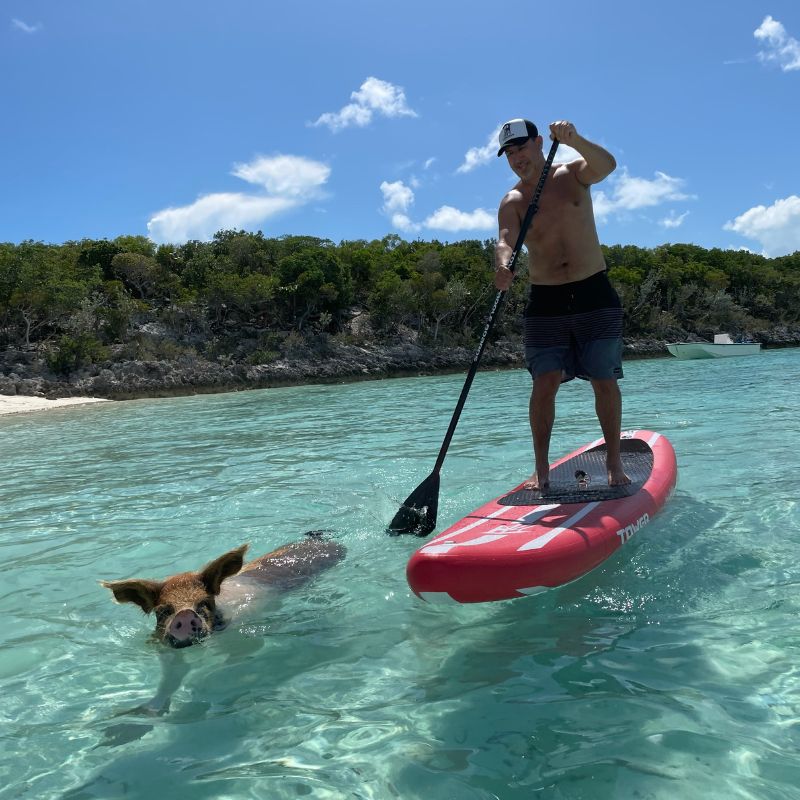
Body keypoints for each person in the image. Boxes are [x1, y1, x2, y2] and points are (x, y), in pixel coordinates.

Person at [494, 118, 630, 490]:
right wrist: (502, 262)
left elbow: (607, 166)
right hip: (546, 298)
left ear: (539, 143)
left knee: (603, 379)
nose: (516, 158)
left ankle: (615, 462)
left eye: (521, 148)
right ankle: (541, 469)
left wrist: (574, 139)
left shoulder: (572, 174)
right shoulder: (513, 200)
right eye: (509, 153)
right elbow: (505, 239)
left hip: (593, 291)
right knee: (544, 382)